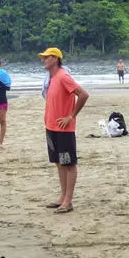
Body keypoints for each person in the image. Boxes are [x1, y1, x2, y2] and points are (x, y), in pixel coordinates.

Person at [38, 48, 89, 214]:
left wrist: (71, 116)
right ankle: (62, 197)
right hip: (51, 126)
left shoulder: (63, 76)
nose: (43, 60)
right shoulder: (51, 78)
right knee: (59, 162)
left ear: (55, 59)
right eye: (43, 58)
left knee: (69, 163)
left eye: (46, 58)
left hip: (64, 129)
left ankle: (68, 201)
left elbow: (83, 95)